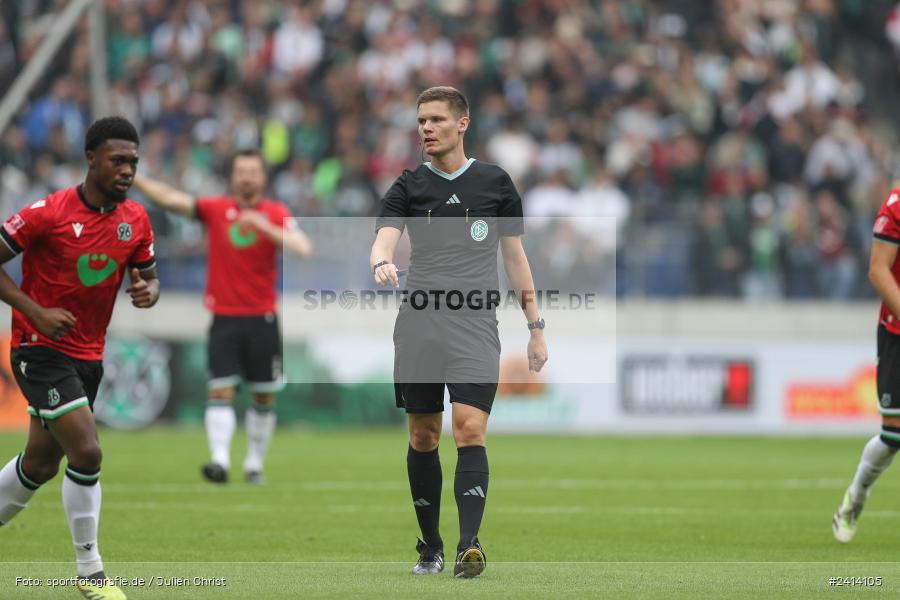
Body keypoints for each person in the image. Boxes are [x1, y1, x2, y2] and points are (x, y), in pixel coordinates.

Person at [370, 86, 548, 578]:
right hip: (419, 326)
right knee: (424, 434)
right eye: (421, 120)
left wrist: (535, 328)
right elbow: (384, 237)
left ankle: (471, 545)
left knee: (470, 427)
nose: (425, 128)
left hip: (474, 326)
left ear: (462, 123)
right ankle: (430, 545)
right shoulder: (409, 185)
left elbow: (515, 258)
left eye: (436, 120)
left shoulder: (495, 183)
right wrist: (382, 260)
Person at [0, 116, 158, 600]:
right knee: (87, 450)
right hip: (37, 348)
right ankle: (91, 575)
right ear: (91, 159)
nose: (127, 170)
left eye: (133, 161)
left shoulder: (136, 220)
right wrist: (35, 311)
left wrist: (147, 290)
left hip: (89, 354)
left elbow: (148, 276)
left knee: (39, 466)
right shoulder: (47, 213)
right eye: (118, 160)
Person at [133, 149, 312, 484]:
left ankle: (254, 464)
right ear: (233, 177)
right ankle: (219, 461)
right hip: (224, 317)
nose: (246, 177)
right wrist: (136, 178)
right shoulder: (216, 209)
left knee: (263, 396)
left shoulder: (275, 212)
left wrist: (263, 226)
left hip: (262, 319)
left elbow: (303, 248)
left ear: (262, 178)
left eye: (252, 171)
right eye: (241, 171)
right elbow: (172, 199)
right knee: (220, 390)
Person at [833, 188, 900, 542]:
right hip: (897, 332)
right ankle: (856, 495)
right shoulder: (896, 205)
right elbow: (878, 270)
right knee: (893, 436)